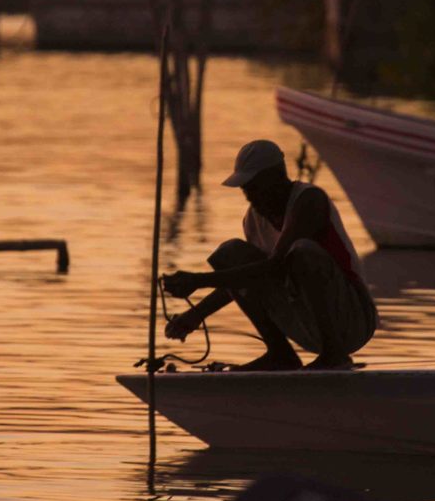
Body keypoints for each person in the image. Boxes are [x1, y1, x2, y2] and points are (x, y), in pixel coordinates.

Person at [162, 138, 378, 371]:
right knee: (229, 253)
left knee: (302, 252)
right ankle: (280, 353)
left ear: (277, 178)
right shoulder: (253, 219)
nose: (251, 196)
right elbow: (245, 280)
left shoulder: (309, 200)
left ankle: (334, 354)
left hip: (351, 320)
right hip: (303, 322)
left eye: (255, 187)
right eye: (246, 189)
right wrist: (196, 314)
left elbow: (276, 265)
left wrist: (198, 280)